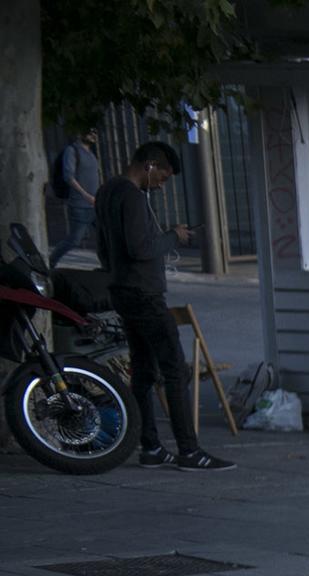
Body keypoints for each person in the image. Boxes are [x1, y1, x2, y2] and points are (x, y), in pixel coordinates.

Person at [96, 142, 234, 471]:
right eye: (163, 176)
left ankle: (152, 447)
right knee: (175, 368)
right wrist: (173, 236)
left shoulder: (106, 191)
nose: (162, 183)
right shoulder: (131, 195)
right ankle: (189, 449)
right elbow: (141, 247)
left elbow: (103, 245)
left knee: (143, 371)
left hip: (122, 289)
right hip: (143, 293)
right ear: (149, 165)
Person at [48, 128, 102, 268]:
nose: (93, 136)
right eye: (90, 132)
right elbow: (69, 177)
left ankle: (109, 266)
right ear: (80, 133)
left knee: (106, 236)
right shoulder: (72, 151)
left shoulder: (91, 154)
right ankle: (51, 262)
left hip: (95, 204)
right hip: (80, 205)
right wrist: (85, 195)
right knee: (74, 240)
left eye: (95, 133)